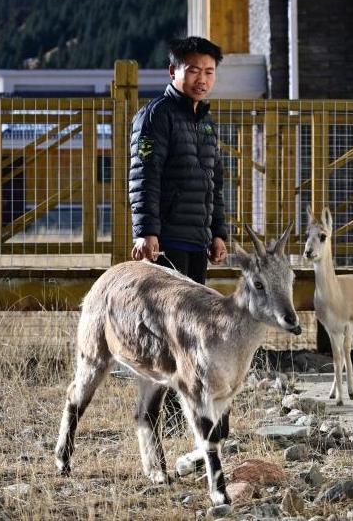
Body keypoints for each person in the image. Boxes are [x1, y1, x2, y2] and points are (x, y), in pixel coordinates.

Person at [128, 36, 229, 432]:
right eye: (193, 70)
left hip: (197, 240)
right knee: (166, 329)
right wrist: (146, 231)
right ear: (173, 71)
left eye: (209, 72)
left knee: (193, 328)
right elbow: (144, 176)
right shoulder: (156, 116)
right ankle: (157, 414)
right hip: (166, 239)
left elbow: (215, 184)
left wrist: (218, 232)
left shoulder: (206, 122)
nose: (202, 79)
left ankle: (185, 410)